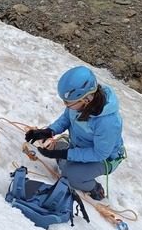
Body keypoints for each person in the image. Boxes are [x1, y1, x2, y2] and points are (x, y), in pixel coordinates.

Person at [24, 65, 125, 200]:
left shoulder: (108, 122)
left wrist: (63, 153)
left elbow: (100, 153)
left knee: (70, 177)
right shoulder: (78, 105)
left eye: (68, 102)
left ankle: (94, 187)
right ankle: (68, 157)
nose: (66, 104)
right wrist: (48, 131)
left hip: (105, 158)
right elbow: (66, 118)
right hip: (81, 146)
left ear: (86, 99)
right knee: (66, 163)